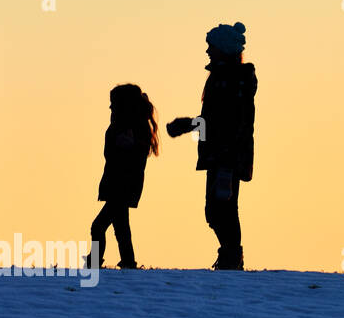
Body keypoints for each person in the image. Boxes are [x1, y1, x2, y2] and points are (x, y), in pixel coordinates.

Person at [166, 22, 256, 270]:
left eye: (211, 46)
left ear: (223, 48)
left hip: (227, 156)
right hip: (220, 154)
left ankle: (231, 257)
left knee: (223, 208)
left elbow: (230, 123)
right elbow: (214, 123)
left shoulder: (233, 80)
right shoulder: (221, 78)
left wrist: (189, 125)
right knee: (216, 210)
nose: (207, 51)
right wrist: (190, 126)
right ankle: (230, 255)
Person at [84, 84, 158, 269]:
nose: (110, 107)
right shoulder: (127, 125)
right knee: (121, 227)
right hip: (119, 184)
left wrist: (127, 147)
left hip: (121, 185)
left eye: (113, 103)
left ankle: (96, 262)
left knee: (98, 226)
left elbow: (129, 157)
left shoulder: (131, 127)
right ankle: (127, 261)